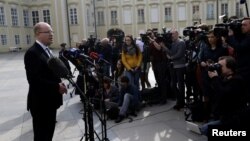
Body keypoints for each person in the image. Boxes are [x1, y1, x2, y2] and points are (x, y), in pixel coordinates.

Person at [24, 22, 67, 141]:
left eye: (52, 32)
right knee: (42, 136)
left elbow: (50, 73)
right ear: (38, 34)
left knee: (48, 135)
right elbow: (34, 80)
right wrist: (56, 86)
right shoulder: (32, 53)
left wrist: (59, 82)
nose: (51, 34)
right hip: (41, 103)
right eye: (48, 32)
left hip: (50, 101)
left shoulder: (47, 50)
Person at [200, 56, 248, 136]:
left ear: (230, 68)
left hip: (234, 119)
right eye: (217, 65)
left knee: (205, 129)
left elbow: (223, 94)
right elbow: (211, 90)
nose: (218, 68)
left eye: (220, 66)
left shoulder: (237, 81)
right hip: (222, 116)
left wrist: (215, 78)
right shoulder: (224, 78)